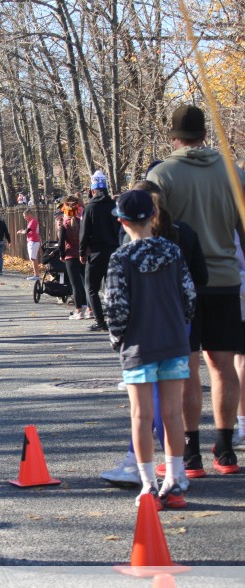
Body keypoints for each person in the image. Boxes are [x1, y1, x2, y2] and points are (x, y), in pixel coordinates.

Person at [148, 104, 245, 475]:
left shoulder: (162, 174)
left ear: (173, 137)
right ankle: (226, 449)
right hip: (225, 280)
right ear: (205, 134)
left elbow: (153, 231)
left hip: (179, 284)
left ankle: (190, 454)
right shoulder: (233, 173)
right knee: (224, 365)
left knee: (186, 367)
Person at [104, 189, 195, 509]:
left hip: (139, 345)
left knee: (141, 416)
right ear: (153, 216)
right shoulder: (173, 251)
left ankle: (147, 485)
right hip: (174, 340)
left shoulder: (121, 258)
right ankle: (175, 480)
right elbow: (189, 295)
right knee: (172, 413)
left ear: (122, 221)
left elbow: (115, 307)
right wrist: (180, 322)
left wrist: (117, 339)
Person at [79, 170, 120, 332]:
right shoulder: (114, 206)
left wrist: (82, 252)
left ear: (93, 190)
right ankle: (115, 319)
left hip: (96, 252)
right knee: (112, 287)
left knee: (92, 289)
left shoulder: (90, 208)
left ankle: (100, 321)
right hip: (114, 251)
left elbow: (84, 233)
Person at [59, 202, 90, 320]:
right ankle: (89, 309)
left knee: (75, 285)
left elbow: (61, 244)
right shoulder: (82, 223)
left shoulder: (64, 226)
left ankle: (79, 311)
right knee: (86, 283)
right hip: (83, 255)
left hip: (70, 256)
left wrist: (62, 255)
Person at [17, 209, 41, 280]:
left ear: (29, 215)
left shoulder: (32, 221)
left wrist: (21, 232)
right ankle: (36, 274)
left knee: (33, 258)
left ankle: (36, 275)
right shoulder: (32, 221)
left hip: (33, 241)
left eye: (25, 216)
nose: (24, 218)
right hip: (33, 241)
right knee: (33, 258)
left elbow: (27, 231)